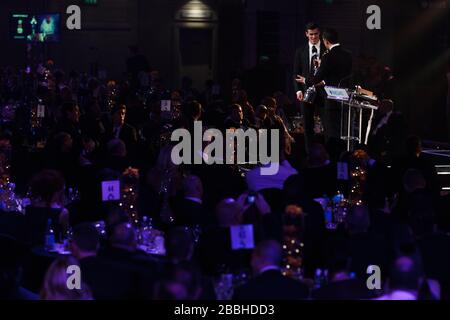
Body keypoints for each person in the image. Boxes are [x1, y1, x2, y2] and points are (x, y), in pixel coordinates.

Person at [311, 28, 353, 140]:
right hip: (346, 99)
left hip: (332, 100)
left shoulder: (327, 56)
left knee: (332, 133)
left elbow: (317, 78)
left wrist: (317, 69)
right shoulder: (349, 55)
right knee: (344, 132)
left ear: (326, 41)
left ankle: (333, 155)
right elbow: (342, 75)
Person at [233, 240, 309, 300]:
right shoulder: (300, 289)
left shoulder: (244, 292)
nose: (251, 263)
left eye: (252, 258)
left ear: (257, 258)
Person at [293, 22, 327, 152]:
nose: (313, 37)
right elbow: (295, 74)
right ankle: (310, 154)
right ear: (306, 34)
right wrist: (298, 91)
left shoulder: (326, 50)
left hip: (323, 93)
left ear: (320, 34)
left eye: (316, 34)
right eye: (311, 34)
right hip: (306, 93)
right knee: (308, 126)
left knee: (326, 125)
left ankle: (326, 154)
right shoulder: (300, 51)